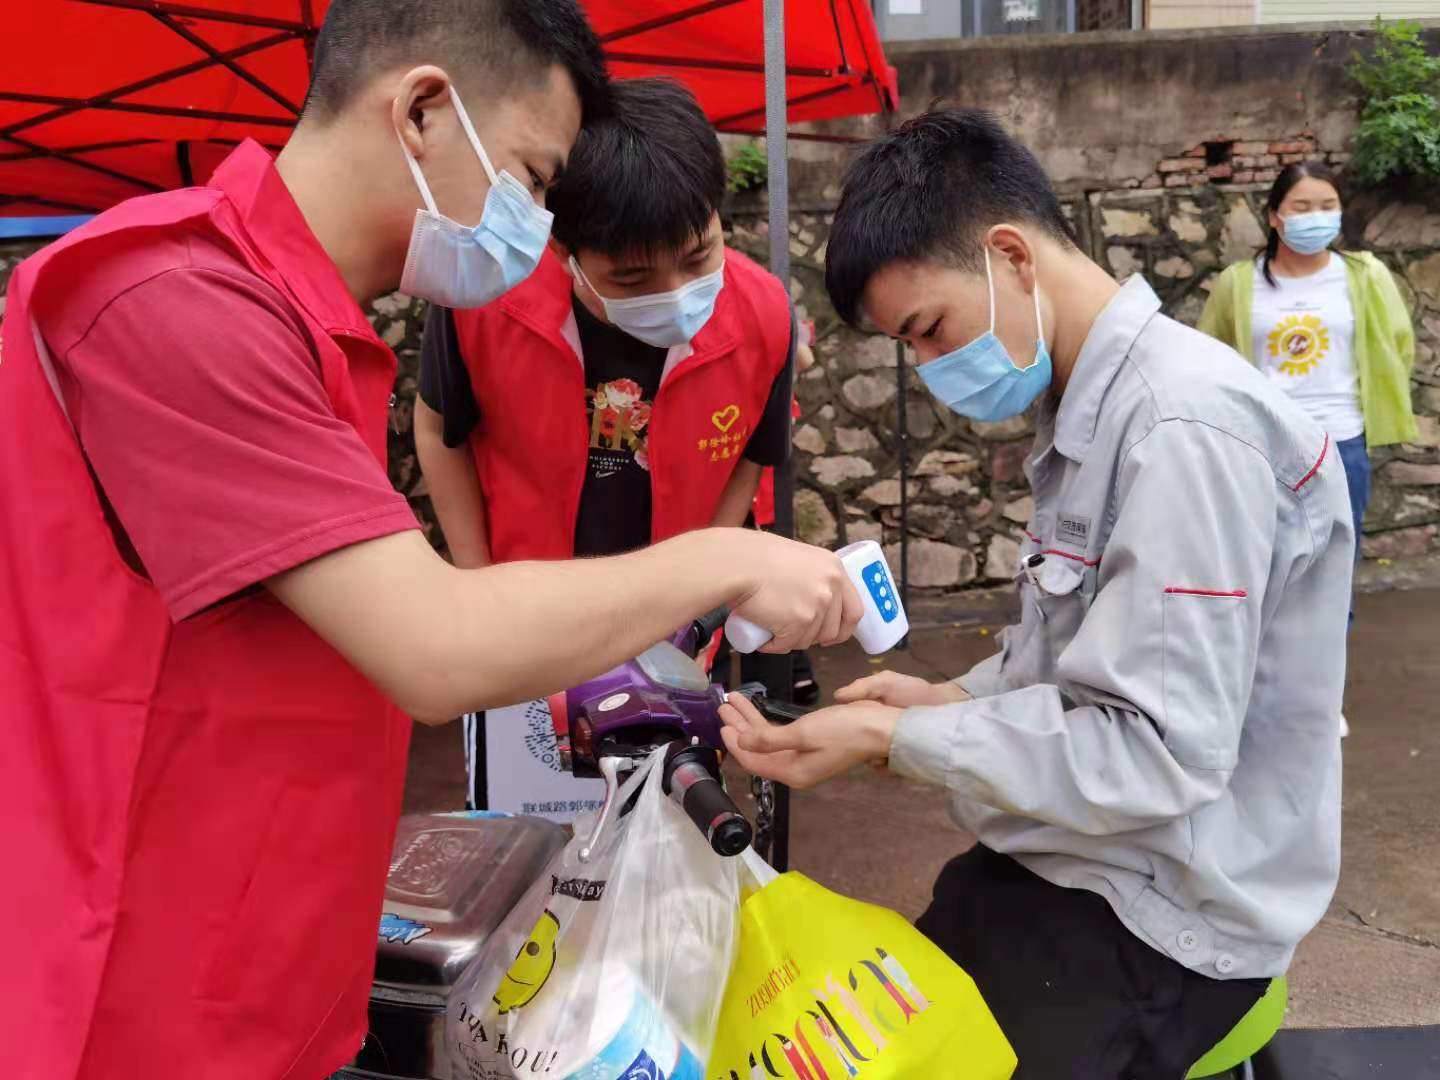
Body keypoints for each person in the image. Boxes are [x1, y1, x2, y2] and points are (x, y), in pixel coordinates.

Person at [0, 3, 859, 1077]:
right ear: (421, 112)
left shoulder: (302, 323)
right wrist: (729, 558)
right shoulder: (173, 301)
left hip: (259, 955)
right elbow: (436, 651)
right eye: (534, 179)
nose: (536, 224)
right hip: (139, 988)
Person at [720, 109, 1354, 1080]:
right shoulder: (1092, 412)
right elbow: (1079, 655)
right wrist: (948, 698)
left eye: (929, 331)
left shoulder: (1181, 431)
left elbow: (1155, 755)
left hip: (1173, 915)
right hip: (1081, 860)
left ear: (1010, 255)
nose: (931, 371)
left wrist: (900, 736)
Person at [413, 77, 798, 806]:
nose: (674, 290)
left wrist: (702, 606)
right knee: (526, 835)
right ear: (564, 249)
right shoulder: (484, 301)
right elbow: (438, 429)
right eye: (631, 276)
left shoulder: (763, 314)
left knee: (668, 827)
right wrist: (478, 588)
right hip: (526, 623)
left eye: (698, 255)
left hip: (672, 633)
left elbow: (752, 455)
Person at [1198, 162, 1417, 584]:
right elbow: (1211, 356)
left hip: (1342, 442)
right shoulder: (1237, 283)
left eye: (1327, 206)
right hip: (1265, 444)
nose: (1316, 217)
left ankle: (1337, 631)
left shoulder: (1365, 276)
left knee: (1334, 573)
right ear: (1274, 216)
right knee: (1265, 569)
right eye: (1301, 207)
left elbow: (1398, 346)